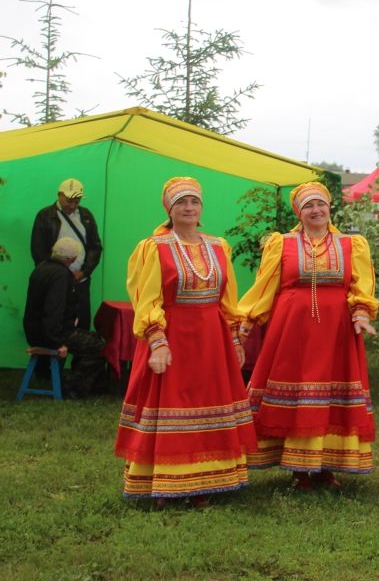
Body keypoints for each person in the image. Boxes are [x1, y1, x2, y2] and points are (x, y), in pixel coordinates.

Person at [114, 177, 256, 507]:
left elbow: (227, 297)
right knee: (172, 405)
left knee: (208, 404)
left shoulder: (218, 246)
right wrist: (157, 340)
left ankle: (205, 480)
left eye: (194, 202)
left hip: (211, 338)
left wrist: (235, 338)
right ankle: (164, 480)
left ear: (201, 208)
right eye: (181, 203)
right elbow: (146, 297)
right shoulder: (155, 247)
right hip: (173, 335)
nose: (189, 208)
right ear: (170, 209)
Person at [238, 182, 379, 490]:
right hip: (293, 331)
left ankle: (327, 466)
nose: (316, 211)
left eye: (321, 205)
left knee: (329, 394)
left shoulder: (351, 244)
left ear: (330, 208)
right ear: (299, 213)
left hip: (337, 331)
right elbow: (265, 286)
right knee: (299, 392)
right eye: (308, 206)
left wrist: (361, 312)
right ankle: (299, 468)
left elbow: (361, 284)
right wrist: (246, 322)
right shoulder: (282, 244)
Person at [31, 178, 104, 386]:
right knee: (53, 319)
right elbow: (38, 250)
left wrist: (83, 271)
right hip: (56, 280)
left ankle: (78, 374)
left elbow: (95, 247)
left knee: (81, 321)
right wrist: (57, 275)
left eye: (77, 201)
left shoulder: (87, 216)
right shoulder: (45, 216)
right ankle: (46, 372)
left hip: (80, 280)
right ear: (59, 195)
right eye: (69, 200)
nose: (73, 205)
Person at [23, 237, 107, 398]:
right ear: (72, 258)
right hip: (51, 333)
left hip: (35, 330)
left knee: (96, 338)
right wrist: (57, 343)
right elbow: (53, 311)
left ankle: (96, 386)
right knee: (100, 347)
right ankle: (72, 388)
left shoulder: (42, 268)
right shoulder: (61, 276)